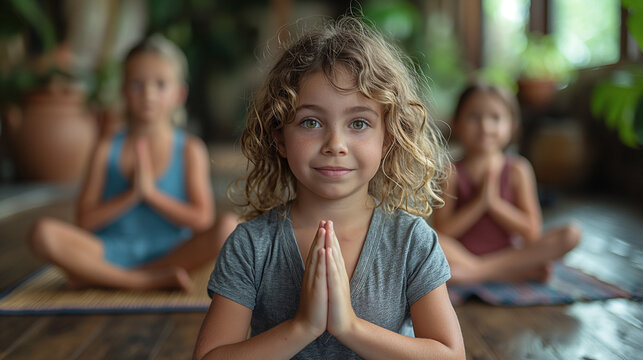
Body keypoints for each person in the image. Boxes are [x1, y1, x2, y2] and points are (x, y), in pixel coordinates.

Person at [193, 16, 465, 360]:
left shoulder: (411, 241)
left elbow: (450, 355)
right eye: (311, 122)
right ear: (279, 136)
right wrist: (302, 326)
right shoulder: (251, 246)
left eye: (359, 123)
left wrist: (349, 327)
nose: (335, 143)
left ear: (388, 139)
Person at [28, 35, 238, 292]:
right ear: (124, 90)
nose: (148, 93)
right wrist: (132, 195)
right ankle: (142, 281)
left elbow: (202, 221)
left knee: (229, 227)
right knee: (42, 234)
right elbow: (85, 221)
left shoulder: (190, 149)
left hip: (171, 251)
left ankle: (102, 277)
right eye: (137, 84)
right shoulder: (106, 148)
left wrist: (151, 194)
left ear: (179, 94)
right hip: (110, 250)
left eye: (160, 84)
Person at [432, 82, 581, 284]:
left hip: (508, 253)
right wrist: (478, 203)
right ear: (456, 123)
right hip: (461, 255)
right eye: (474, 117)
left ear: (512, 126)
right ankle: (505, 272)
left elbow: (531, 230)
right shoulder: (450, 172)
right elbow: (443, 230)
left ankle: (477, 273)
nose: (485, 126)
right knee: (428, 238)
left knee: (571, 234)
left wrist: (494, 204)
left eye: (495, 118)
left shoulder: (517, 169)